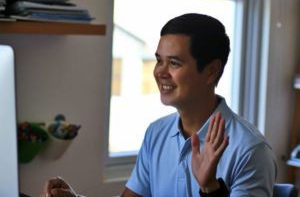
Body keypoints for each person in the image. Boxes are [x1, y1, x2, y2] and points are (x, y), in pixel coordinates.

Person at [41, 13, 277, 197]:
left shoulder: (250, 150)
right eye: (158, 60)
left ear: (211, 71)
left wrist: (210, 188)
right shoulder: (156, 133)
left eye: (174, 63)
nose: (159, 72)